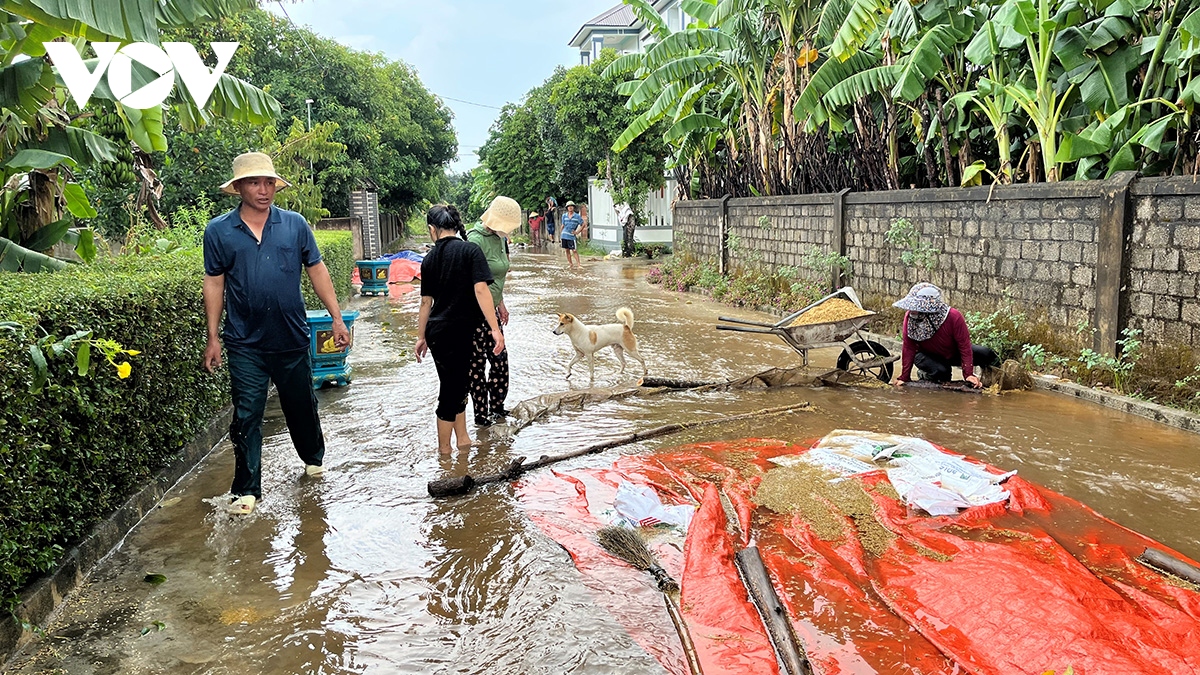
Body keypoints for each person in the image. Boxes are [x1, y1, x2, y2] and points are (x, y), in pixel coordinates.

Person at [202, 152, 350, 516]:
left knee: (300, 405)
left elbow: (317, 270)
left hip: (291, 337)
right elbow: (214, 282)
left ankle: (313, 459)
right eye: (254, 182)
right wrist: (213, 337)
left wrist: (337, 318)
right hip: (244, 342)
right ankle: (247, 489)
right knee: (247, 413)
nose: (264, 189)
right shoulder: (219, 231)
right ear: (238, 188)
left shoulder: (294, 225)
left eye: (269, 182)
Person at [415, 205, 505, 453]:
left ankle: (463, 439)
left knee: (459, 384)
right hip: (458, 332)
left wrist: (421, 336)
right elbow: (481, 290)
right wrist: (495, 329)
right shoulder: (470, 251)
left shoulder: (429, 259)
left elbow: (426, 303)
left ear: (432, 229)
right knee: (451, 389)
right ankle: (444, 453)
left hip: (439, 332)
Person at [467, 196, 519, 426]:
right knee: (477, 365)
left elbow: (495, 277)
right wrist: (492, 323)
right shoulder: (474, 241)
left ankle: (497, 408)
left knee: (500, 362)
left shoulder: (500, 240)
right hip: (475, 313)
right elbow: (476, 285)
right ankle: (481, 417)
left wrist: (500, 302)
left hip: (493, 310)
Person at [890, 283, 1000, 388]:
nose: (912, 310)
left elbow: (964, 346)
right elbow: (909, 348)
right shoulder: (910, 318)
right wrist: (904, 376)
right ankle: (924, 374)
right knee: (942, 372)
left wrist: (968, 375)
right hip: (925, 355)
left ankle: (996, 381)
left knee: (987, 354)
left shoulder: (953, 317)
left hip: (951, 352)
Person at [561, 200, 583, 270]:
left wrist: (577, 232)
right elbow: (562, 225)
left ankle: (579, 264)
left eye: (571, 206)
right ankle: (570, 264)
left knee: (574, 250)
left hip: (571, 236)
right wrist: (561, 234)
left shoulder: (577, 216)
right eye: (568, 206)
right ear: (567, 208)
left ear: (573, 207)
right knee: (567, 250)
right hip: (564, 235)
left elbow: (583, 224)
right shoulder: (564, 216)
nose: (570, 208)